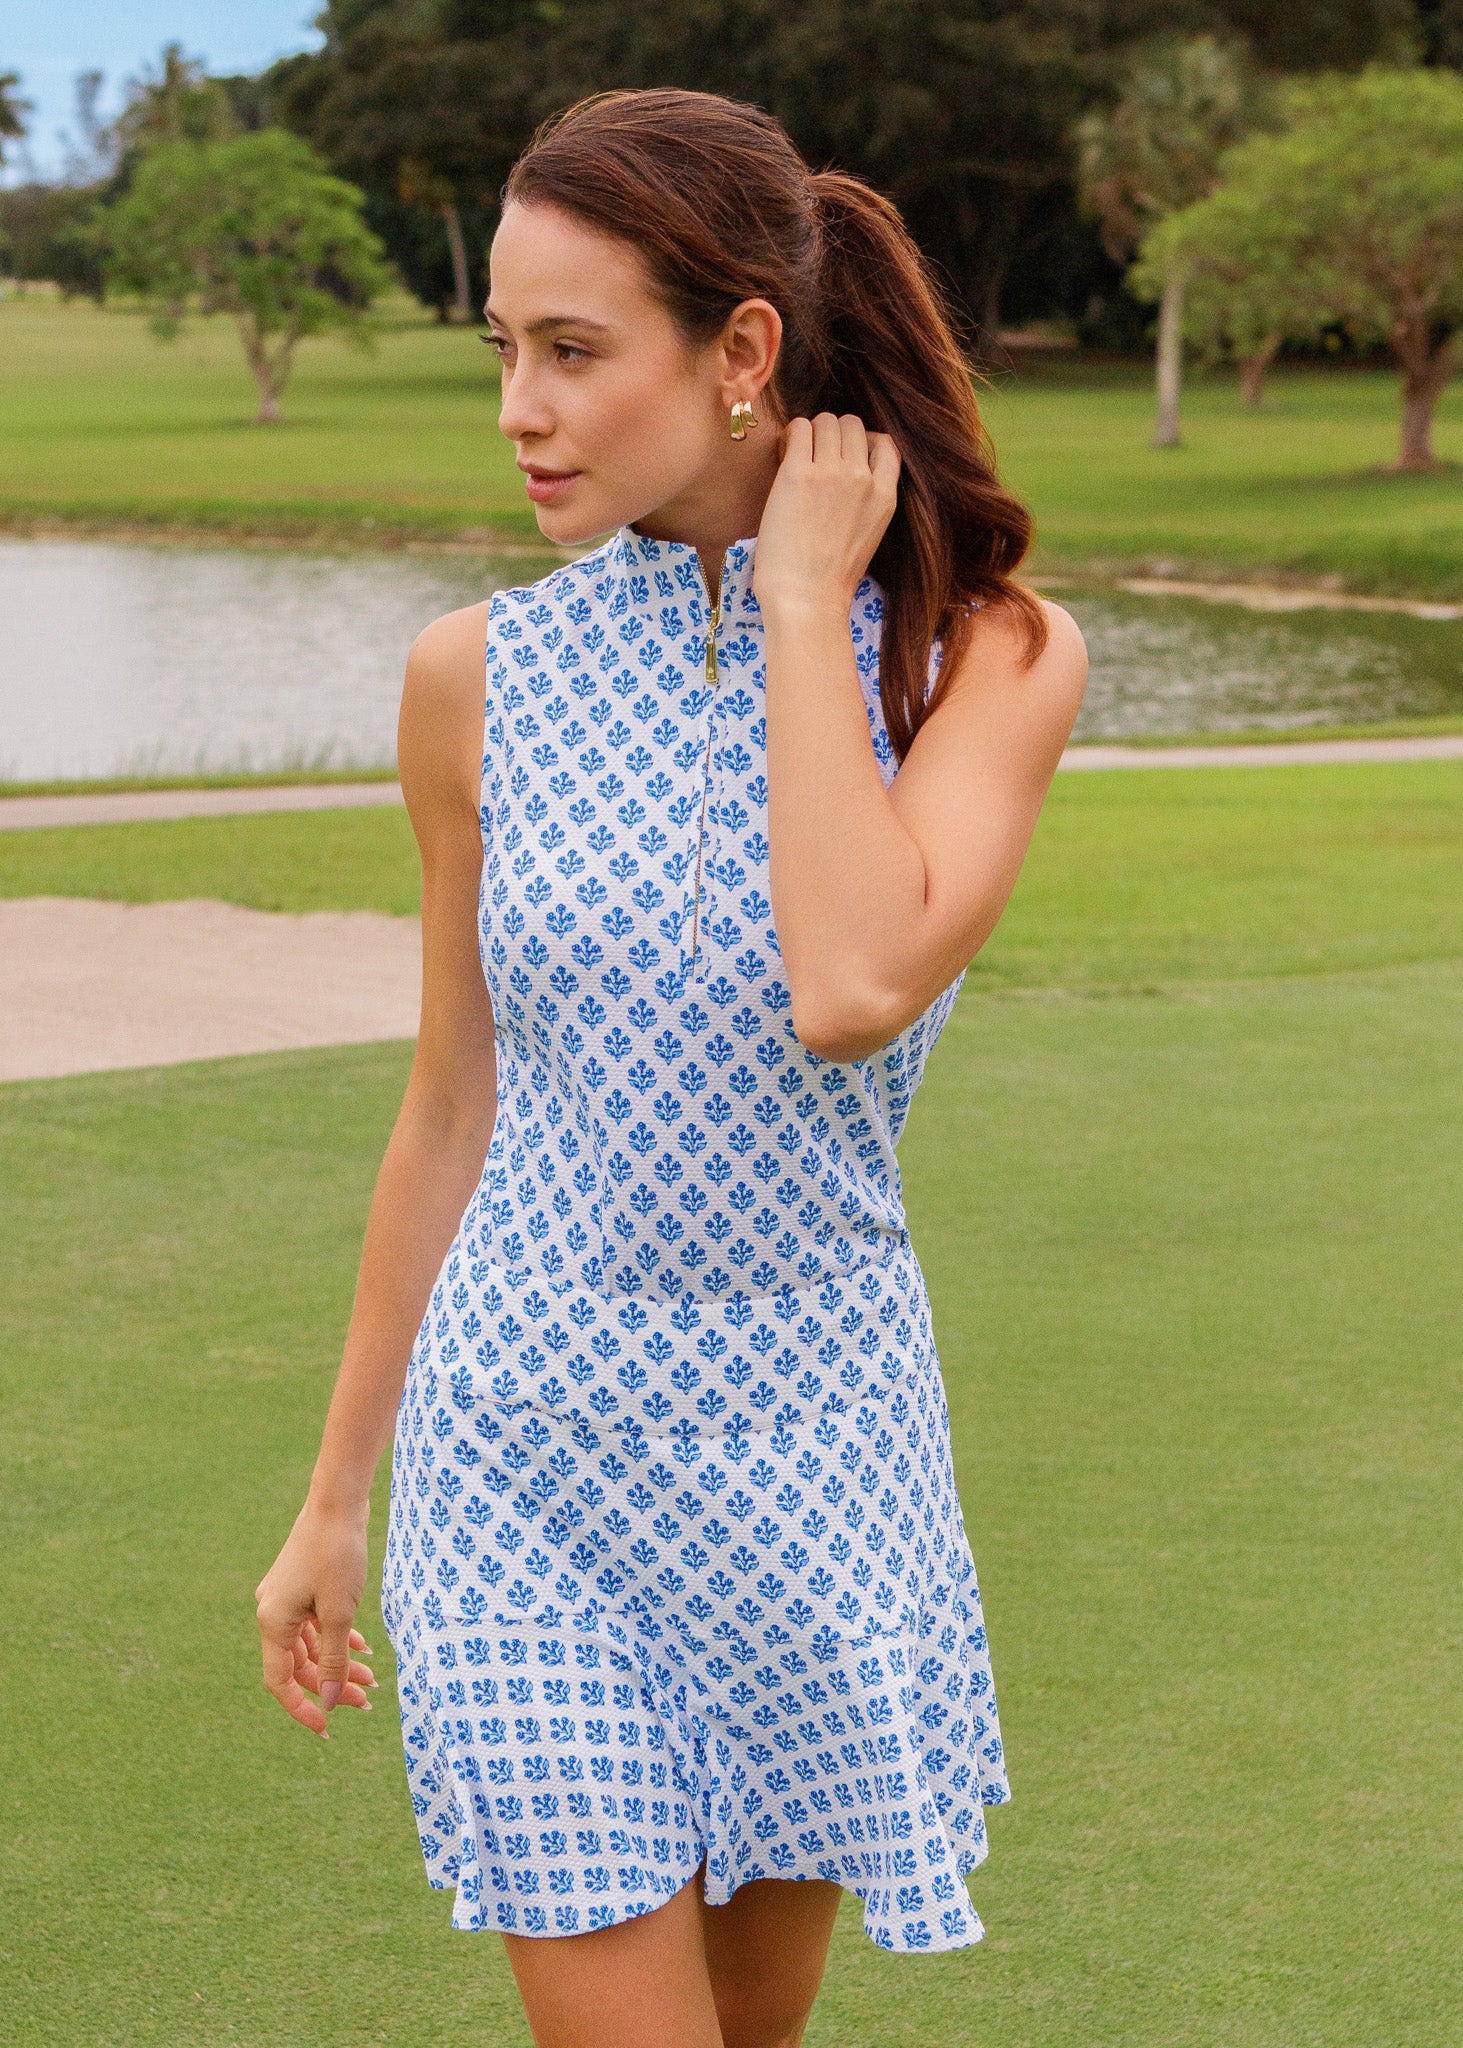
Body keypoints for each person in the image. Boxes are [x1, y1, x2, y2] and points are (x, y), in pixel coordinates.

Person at [255, 86, 1087, 2048]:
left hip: (819, 1448)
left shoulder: (985, 657)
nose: (518, 412)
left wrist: (804, 601)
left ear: (742, 355)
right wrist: (335, 1495)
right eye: (502, 355)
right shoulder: (474, 678)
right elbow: (454, 1099)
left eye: (571, 351)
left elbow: (851, 978)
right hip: (523, 1455)